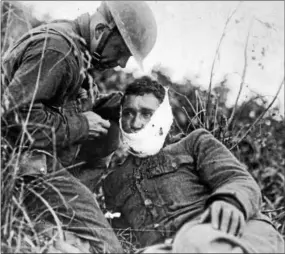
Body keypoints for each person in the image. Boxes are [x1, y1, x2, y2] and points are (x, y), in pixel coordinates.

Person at [1, 1, 157, 253]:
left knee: (107, 139)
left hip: (31, 161)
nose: (121, 64)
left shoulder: (73, 46)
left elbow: (49, 106)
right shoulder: (58, 49)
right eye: (120, 50)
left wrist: (103, 109)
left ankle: (46, 224)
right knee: (106, 249)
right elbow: (14, 117)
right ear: (100, 31)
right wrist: (82, 124)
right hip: (20, 165)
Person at [102, 77, 284, 253]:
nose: (135, 123)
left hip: (226, 231)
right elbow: (118, 232)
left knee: (195, 240)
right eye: (128, 113)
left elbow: (239, 180)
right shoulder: (113, 182)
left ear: (163, 117)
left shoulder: (194, 143)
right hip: (169, 247)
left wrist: (230, 201)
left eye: (146, 114)